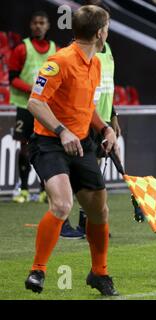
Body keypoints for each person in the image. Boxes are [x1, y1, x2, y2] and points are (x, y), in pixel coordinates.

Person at [24, 5, 119, 296]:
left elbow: (85, 106)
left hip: (83, 143)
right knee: (63, 205)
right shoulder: (59, 61)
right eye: (107, 28)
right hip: (50, 143)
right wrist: (61, 130)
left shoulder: (96, 63)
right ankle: (37, 271)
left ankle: (99, 273)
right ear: (100, 32)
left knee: (99, 211)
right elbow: (35, 103)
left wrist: (105, 128)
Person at [60, 0, 122, 240]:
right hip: (80, 118)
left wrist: (113, 116)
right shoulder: (76, 51)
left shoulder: (107, 51)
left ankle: (88, 224)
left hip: (101, 119)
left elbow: (108, 86)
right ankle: (62, 221)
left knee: (94, 172)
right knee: (69, 170)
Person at [9, 11, 57, 203]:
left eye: (42, 23)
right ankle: (23, 189)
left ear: (47, 26)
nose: (38, 26)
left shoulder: (55, 49)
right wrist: (34, 90)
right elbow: (12, 78)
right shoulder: (22, 48)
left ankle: (45, 191)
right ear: (31, 25)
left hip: (46, 108)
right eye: (35, 23)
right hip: (25, 106)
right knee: (24, 148)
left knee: (46, 148)